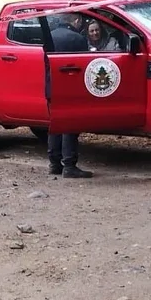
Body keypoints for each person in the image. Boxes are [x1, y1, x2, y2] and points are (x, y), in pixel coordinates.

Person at [47, 12, 93, 178]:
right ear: (76, 20)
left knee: (55, 126)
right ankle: (69, 165)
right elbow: (85, 63)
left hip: (51, 86)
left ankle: (54, 163)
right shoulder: (76, 38)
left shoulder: (49, 36)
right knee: (70, 127)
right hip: (70, 87)